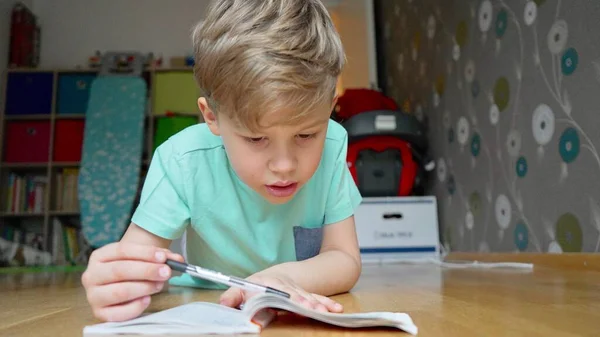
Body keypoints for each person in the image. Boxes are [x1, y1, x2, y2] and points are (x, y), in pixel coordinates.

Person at [81, 0, 363, 322]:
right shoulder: (182, 161)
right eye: (256, 139)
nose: (284, 165)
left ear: (329, 107)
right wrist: (118, 284)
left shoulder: (333, 143)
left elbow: (345, 258)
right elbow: (137, 262)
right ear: (211, 117)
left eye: (306, 136)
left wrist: (284, 280)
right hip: (210, 312)